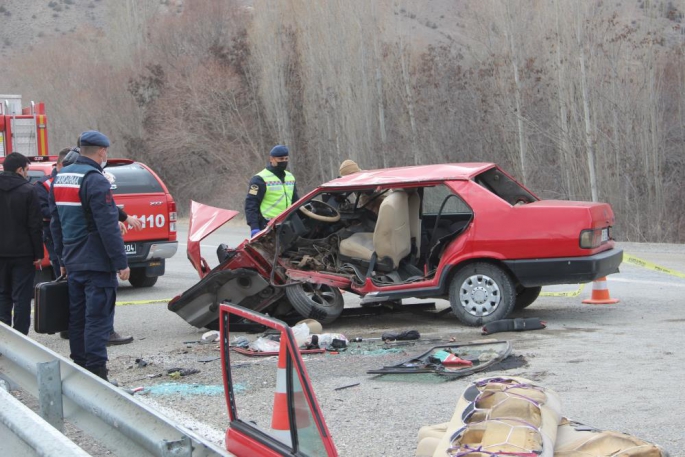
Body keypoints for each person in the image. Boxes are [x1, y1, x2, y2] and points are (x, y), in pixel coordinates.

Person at [51, 130, 129, 380]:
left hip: (73, 259)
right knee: (98, 319)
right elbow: (107, 225)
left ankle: (80, 368)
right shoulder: (95, 179)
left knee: (77, 318)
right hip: (96, 261)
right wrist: (120, 262)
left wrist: (62, 259)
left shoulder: (62, 177)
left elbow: (56, 223)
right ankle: (97, 373)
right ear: (102, 151)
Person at [0, 152, 43, 335]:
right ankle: (20, 339)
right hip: (23, 253)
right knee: (22, 298)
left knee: (2, 296)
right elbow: (35, 225)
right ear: (20, 170)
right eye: (27, 169)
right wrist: (38, 254)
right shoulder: (29, 190)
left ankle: (2, 341)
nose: (27, 173)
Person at [245, 145, 299, 237]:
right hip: (268, 225)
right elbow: (251, 205)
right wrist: (254, 227)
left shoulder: (290, 177)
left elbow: (296, 201)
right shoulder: (259, 179)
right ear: (272, 159)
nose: (284, 161)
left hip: (288, 223)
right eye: (281, 159)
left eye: (286, 159)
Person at [36, 147, 70, 277]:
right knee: (60, 268)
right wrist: (67, 212)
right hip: (53, 232)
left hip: (73, 230)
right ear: (60, 165)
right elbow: (43, 210)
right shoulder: (44, 184)